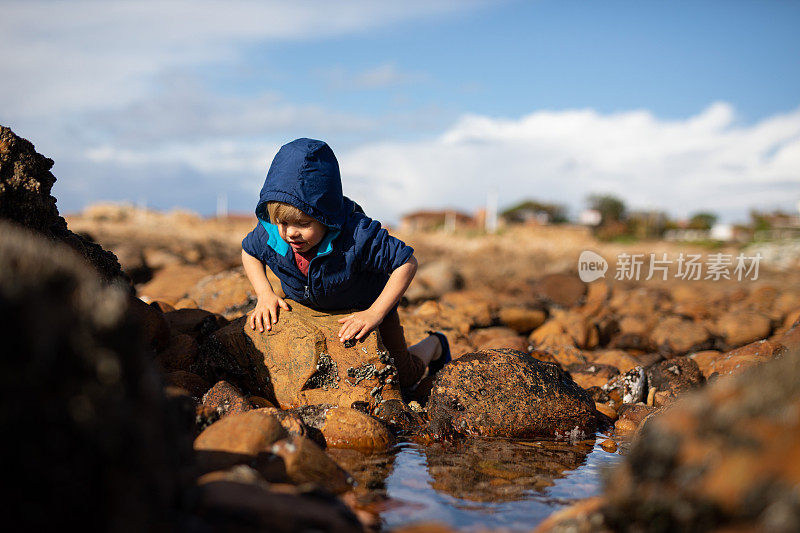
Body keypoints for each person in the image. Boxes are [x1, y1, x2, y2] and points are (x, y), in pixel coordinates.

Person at [241, 138, 450, 389]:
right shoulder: (272, 230)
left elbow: (406, 262)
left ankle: (436, 344)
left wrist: (376, 313)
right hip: (310, 308)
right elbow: (249, 252)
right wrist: (264, 293)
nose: (291, 233)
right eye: (283, 223)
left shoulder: (357, 235)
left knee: (401, 378)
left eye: (304, 224)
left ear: (325, 218)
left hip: (366, 307)